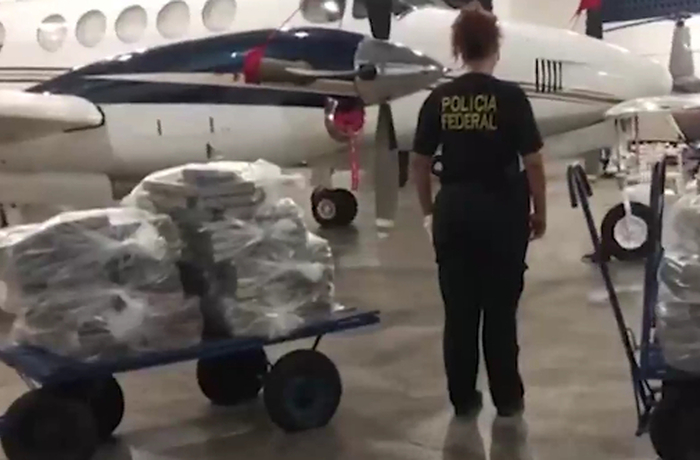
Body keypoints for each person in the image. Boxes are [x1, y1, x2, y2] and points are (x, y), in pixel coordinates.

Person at [411, 2, 547, 420]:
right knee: (500, 313)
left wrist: (429, 212)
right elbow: (534, 162)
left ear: (458, 48)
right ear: (496, 47)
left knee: (459, 315)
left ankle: (463, 398)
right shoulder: (511, 97)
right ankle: (507, 399)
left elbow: (419, 161)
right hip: (502, 213)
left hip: (454, 213)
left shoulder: (439, 98)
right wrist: (540, 211)